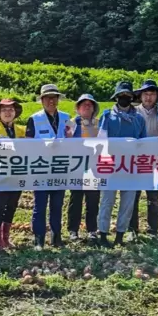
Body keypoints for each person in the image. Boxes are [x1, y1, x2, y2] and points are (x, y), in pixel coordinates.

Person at [97, 81, 147, 247]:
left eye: (127, 95)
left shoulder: (139, 119)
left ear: (132, 97)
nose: (124, 98)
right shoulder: (107, 116)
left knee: (127, 203)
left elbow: (144, 143)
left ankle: (120, 235)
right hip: (110, 166)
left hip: (131, 166)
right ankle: (103, 234)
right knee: (107, 200)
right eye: (121, 95)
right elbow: (100, 141)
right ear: (116, 97)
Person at [25, 84, 73, 250]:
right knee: (40, 205)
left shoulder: (67, 118)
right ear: (42, 100)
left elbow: (74, 143)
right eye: (47, 98)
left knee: (57, 204)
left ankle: (56, 235)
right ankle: (38, 239)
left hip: (60, 168)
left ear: (58, 99)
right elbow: (28, 144)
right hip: (41, 168)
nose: (51, 101)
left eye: (54, 97)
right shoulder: (34, 119)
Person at [130, 79, 158, 239]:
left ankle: (153, 229)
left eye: (152, 94)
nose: (148, 97)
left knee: (153, 196)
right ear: (140, 96)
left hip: (155, 159)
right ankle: (132, 230)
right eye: (145, 94)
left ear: (157, 96)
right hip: (136, 159)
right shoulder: (134, 112)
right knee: (133, 196)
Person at [0, 99, 26, 249]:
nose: (8, 112)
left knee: (12, 205)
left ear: (15, 113)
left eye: (11, 109)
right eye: (4, 110)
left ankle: (5, 238)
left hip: (17, 173)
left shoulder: (22, 131)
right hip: (1, 174)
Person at [67, 94, 101, 244]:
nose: (87, 107)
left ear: (94, 108)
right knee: (76, 198)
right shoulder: (71, 124)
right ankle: (73, 230)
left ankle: (92, 230)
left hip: (93, 167)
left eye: (90, 104)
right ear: (78, 108)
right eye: (83, 104)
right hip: (76, 166)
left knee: (93, 199)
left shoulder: (99, 124)